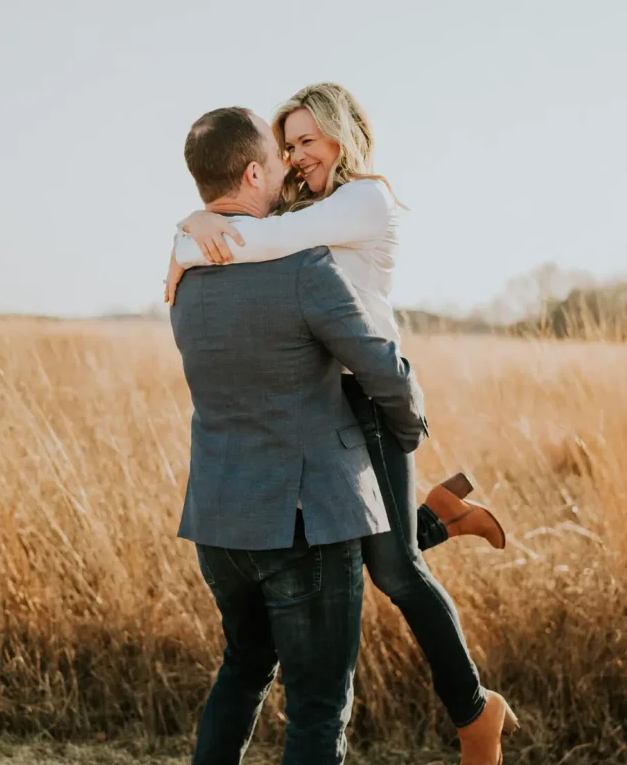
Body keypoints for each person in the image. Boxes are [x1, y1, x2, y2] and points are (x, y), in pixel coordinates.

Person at [165, 84, 519, 765]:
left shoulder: (363, 199)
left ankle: (475, 714)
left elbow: (258, 234)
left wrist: (189, 234)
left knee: (396, 571)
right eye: (287, 146)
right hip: (326, 403)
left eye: (307, 141)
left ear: (342, 134)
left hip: (375, 398)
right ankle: (443, 515)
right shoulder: (302, 209)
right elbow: (254, 226)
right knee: (360, 562)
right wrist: (193, 227)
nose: (296, 159)